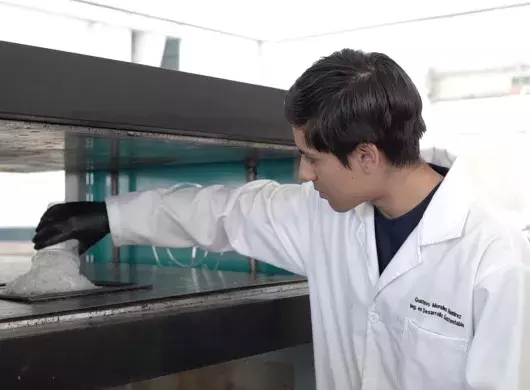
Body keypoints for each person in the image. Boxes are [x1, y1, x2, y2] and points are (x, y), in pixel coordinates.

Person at [33, 49, 530, 390]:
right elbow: (225, 212)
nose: (302, 173)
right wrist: (106, 214)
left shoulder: (495, 258)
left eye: (312, 158)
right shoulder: (329, 218)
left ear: (365, 157)